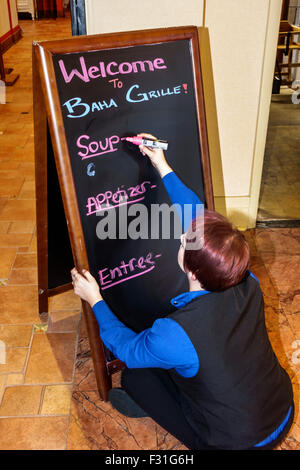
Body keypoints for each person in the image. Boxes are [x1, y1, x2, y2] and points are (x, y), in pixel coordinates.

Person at [71, 133, 294, 450]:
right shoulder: (247, 282)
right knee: (183, 365)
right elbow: (194, 212)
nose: (182, 236)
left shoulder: (174, 333)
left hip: (239, 443)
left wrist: (95, 300)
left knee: (138, 377)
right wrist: (161, 165)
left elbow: (126, 349)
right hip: (282, 410)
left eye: (185, 241)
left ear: (191, 267)